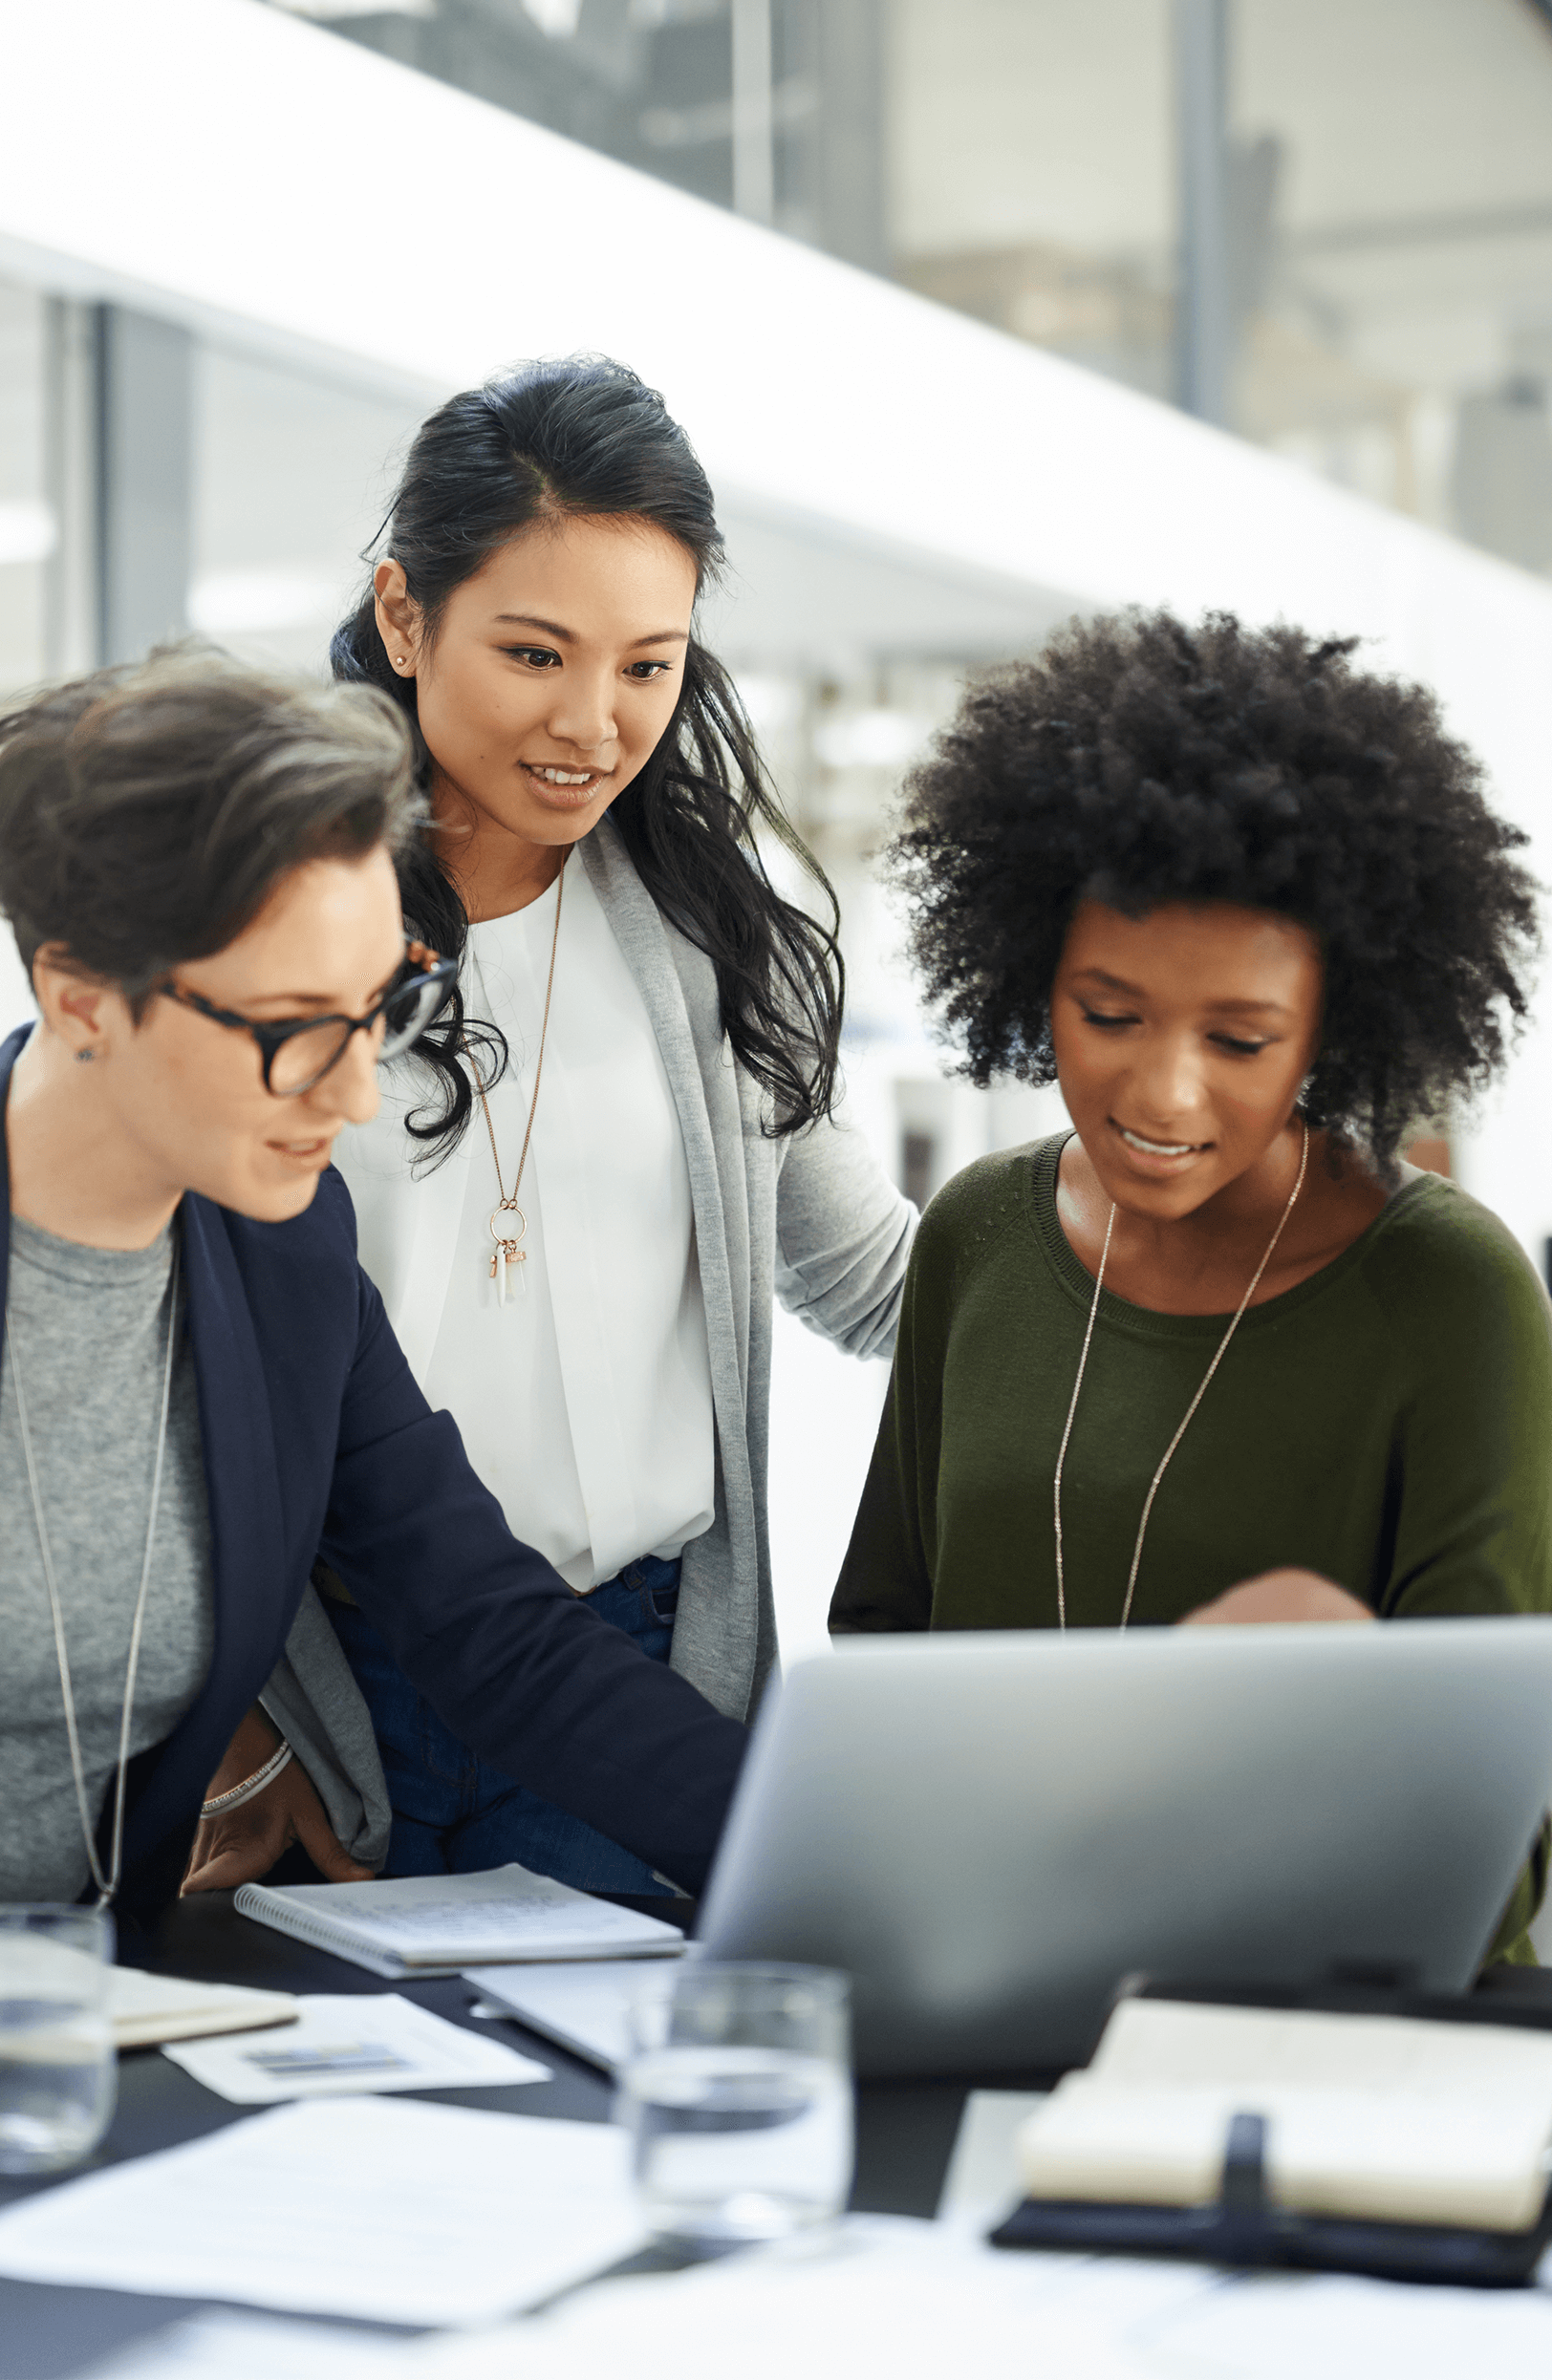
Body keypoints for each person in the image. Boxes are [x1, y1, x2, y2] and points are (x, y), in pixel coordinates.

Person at [191, 357, 914, 1897]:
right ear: (404, 616)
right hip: (331, 1689)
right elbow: (168, 1360)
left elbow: (877, 1281)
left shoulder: (716, 938)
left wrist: (1181, 1229)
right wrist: (244, 1723)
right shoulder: (263, 930)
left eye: (648, 666)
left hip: (639, 1678)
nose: (593, 723)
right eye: (535, 652)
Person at [830, 609, 1552, 1956]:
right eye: (1109, 1015)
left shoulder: (1451, 1296)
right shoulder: (979, 1233)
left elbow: (1492, 1827)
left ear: (1335, 1031)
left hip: (1327, 2022)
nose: (1162, 1093)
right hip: (994, 1974)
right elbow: (883, 1656)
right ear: (1029, 975)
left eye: (1240, 1037)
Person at [0, 647, 745, 1926]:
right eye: (293, 1030)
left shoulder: (277, 1252)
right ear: (79, 998)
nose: (354, 1097)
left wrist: (832, 1845)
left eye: (379, 1010)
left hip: (95, 2027)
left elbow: (489, 1629)